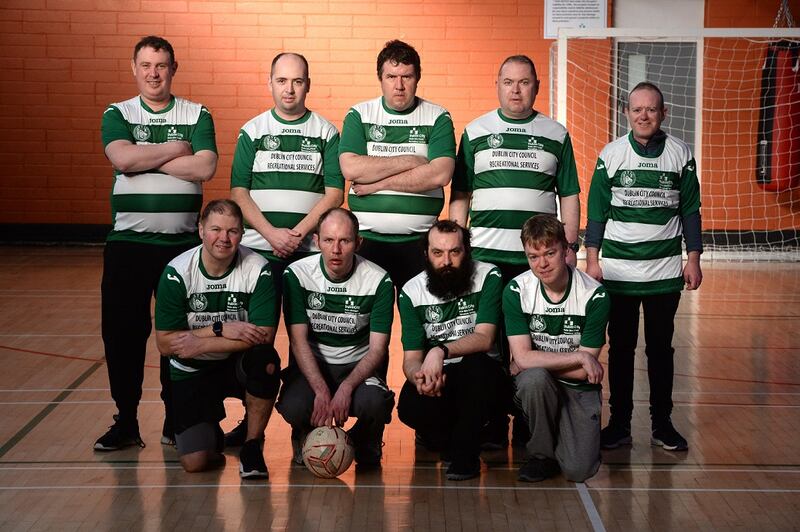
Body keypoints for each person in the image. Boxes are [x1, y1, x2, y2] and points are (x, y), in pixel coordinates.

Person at [449, 55, 581, 447]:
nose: (516, 90)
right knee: (488, 346)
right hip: (486, 259)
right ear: (498, 85)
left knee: (531, 346)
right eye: (509, 82)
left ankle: (527, 421)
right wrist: (459, 244)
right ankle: (490, 422)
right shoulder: (475, 131)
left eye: (524, 82)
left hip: (535, 264)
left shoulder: (555, 133)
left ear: (536, 86)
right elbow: (461, 193)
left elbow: (569, 193)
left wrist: (569, 245)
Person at [95, 35, 218, 451]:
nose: (153, 73)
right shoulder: (119, 112)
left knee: (178, 335)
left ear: (173, 68)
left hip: (182, 247)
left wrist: (145, 153)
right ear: (134, 68)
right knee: (123, 335)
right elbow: (122, 160)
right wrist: (174, 149)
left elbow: (205, 166)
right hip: (128, 245)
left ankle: (174, 419)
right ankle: (126, 421)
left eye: (161, 65)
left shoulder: (197, 112)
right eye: (146, 65)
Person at [229, 52, 344, 445]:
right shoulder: (253, 130)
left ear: (308, 84)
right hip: (260, 252)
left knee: (306, 341)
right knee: (257, 341)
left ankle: (304, 430)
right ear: (270, 83)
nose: (289, 89)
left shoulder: (325, 131)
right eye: (282, 81)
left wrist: (296, 233)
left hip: (307, 254)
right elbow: (239, 193)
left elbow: (334, 192)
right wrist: (272, 234)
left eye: (297, 81)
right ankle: (252, 427)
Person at [585, 82, 702, 452]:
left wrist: (693, 259)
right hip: (618, 274)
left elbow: (691, 211)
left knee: (660, 349)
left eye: (651, 109)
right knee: (620, 349)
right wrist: (592, 258)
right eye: (637, 109)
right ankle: (619, 424)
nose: (644, 115)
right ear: (627, 113)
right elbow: (597, 212)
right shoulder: (612, 154)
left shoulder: (680, 154)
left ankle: (662, 424)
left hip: (665, 274)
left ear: (663, 113)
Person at [154, 200, 281, 479]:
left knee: (265, 361)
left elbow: (264, 336)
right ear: (200, 230)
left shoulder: (258, 269)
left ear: (242, 234)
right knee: (195, 463)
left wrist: (199, 343)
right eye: (215, 229)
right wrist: (219, 328)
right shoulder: (177, 273)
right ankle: (210, 432)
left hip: (236, 364)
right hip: (192, 370)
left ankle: (252, 445)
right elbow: (165, 343)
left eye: (232, 231)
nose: (223, 238)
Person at [276, 208, 395, 468]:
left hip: (357, 367)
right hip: (314, 365)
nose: (336, 249)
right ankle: (304, 434)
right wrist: (321, 388)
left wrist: (346, 387)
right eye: (329, 240)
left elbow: (378, 349)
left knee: (374, 403)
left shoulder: (379, 280)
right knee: (294, 405)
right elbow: (297, 341)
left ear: (358, 242)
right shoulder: (297, 274)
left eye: (345, 240)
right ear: (317, 241)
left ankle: (366, 440)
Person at [338, 39, 456, 291]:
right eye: (391, 76)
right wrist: (411, 161)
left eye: (407, 76)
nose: (399, 85)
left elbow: (440, 174)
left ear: (417, 78)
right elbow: (351, 168)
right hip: (366, 240)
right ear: (380, 78)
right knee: (364, 322)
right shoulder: (359, 114)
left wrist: (377, 182)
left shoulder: (437, 116)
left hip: (420, 242)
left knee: (424, 320)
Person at [396, 221, 505, 481]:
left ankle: (465, 457)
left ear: (466, 250)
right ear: (426, 254)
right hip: (441, 377)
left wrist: (439, 351)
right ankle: (448, 439)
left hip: (484, 376)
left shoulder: (489, 276)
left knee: (475, 367)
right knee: (409, 406)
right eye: (438, 253)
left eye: (454, 252)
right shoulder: (411, 291)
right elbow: (411, 359)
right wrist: (419, 378)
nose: (446, 261)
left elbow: (485, 338)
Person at [504, 214, 609, 483]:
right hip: (538, 386)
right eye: (533, 256)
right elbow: (525, 360)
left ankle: (564, 437)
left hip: (578, 389)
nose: (542, 264)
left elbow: (582, 375)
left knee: (578, 471)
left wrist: (530, 361)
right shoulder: (516, 290)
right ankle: (541, 455)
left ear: (566, 250)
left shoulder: (594, 295)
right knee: (534, 382)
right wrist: (578, 357)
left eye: (549, 253)